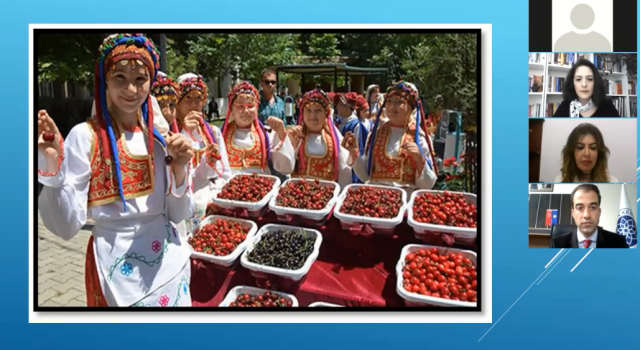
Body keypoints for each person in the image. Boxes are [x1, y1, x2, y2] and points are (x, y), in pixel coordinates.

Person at [38, 33, 196, 307]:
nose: (131, 90)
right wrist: (52, 167)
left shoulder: (159, 139)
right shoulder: (85, 137)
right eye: (120, 78)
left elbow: (178, 214)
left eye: (140, 79)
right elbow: (65, 227)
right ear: (105, 80)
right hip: (115, 265)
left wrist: (180, 168)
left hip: (169, 263)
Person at [350, 81, 438, 192]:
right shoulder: (376, 134)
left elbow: (427, 185)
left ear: (411, 107)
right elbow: (365, 175)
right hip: (374, 198)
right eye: (389, 101)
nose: (392, 107)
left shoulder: (419, 138)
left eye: (399, 102)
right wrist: (353, 151)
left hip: (405, 199)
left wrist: (420, 159)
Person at [176, 72, 232, 228]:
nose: (194, 103)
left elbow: (225, 172)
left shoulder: (213, 132)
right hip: (180, 204)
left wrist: (215, 195)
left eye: (198, 99)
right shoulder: (171, 133)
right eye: (188, 98)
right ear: (177, 102)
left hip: (210, 201)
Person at [220, 81, 295, 176]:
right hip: (229, 187)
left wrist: (281, 133)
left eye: (250, 106)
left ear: (256, 109)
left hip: (260, 187)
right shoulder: (219, 135)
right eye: (240, 106)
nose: (246, 111)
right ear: (231, 109)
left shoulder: (267, 134)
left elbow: (286, 168)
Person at [286, 89, 354, 189]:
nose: (313, 116)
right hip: (297, 194)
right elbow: (285, 168)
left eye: (318, 110)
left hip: (325, 197)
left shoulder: (335, 140)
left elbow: (344, 171)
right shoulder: (296, 136)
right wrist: (292, 145)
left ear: (326, 114)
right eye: (308, 110)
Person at [549, 184, 629, 248]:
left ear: (599, 212)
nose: (586, 215)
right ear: (573, 213)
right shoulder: (556, 245)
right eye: (580, 208)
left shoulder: (618, 243)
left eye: (593, 207)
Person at [552, 59, 621, 117]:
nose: (584, 84)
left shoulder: (608, 107)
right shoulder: (565, 106)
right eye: (578, 79)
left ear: (595, 82)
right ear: (572, 83)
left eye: (590, 79)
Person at [554, 123, 618, 183]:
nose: (587, 154)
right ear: (572, 152)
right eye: (580, 147)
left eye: (593, 147)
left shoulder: (612, 182)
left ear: (599, 153)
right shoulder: (559, 181)